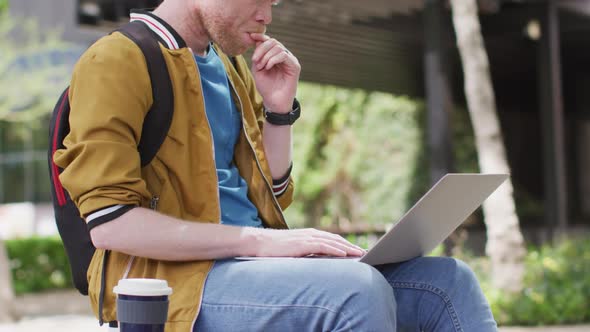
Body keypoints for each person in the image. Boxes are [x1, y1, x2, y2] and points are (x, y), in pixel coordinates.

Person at [53, 0, 498, 331]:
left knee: (449, 283)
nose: (267, 15)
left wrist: (279, 111)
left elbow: (273, 192)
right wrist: (263, 243)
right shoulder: (117, 59)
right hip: (170, 281)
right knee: (356, 293)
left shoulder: (230, 67)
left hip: (251, 266)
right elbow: (111, 224)